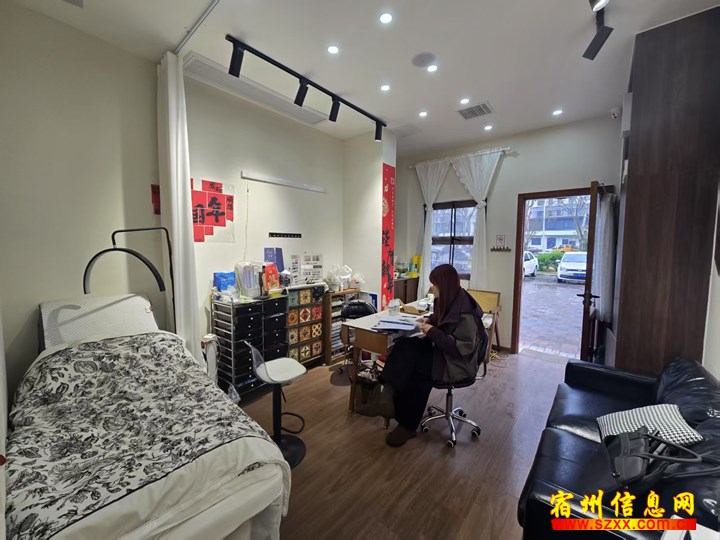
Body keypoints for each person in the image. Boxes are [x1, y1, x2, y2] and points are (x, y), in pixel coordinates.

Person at [359, 264, 488, 447]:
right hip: (445, 353)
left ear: (444, 285)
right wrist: (430, 320)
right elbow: (442, 318)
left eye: (435, 284)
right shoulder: (452, 298)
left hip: (458, 364)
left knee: (418, 372)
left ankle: (408, 426)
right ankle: (386, 397)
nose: (432, 288)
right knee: (405, 344)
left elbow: (461, 349)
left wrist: (432, 331)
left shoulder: (465, 312)